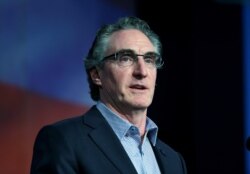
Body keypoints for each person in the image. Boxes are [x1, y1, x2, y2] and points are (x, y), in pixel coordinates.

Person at [30, 16, 188, 174]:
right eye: (125, 58)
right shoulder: (62, 140)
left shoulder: (174, 161)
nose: (142, 71)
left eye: (149, 59)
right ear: (97, 75)